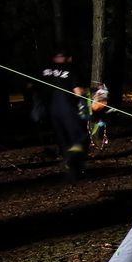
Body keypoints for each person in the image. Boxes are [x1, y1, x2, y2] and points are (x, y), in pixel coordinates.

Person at [41, 50, 89, 179]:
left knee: (63, 140)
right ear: (69, 58)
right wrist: (90, 91)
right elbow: (78, 92)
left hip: (51, 110)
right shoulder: (70, 69)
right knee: (79, 137)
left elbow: (32, 86)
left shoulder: (45, 70)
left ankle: (69, 165)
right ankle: (75, 162)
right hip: (68, 109)